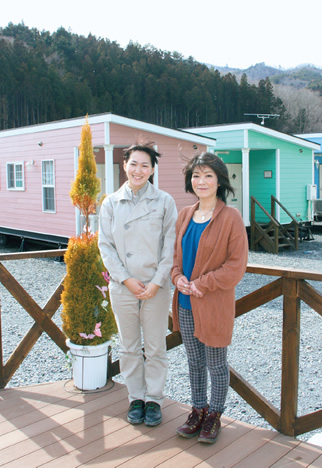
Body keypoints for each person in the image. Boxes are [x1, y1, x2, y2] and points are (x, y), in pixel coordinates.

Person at [171, 152, 248, 444]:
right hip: (185, 303)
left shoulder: (231, 217)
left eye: (208, 176)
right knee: (193, 360)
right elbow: (175, 259)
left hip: (213, 303)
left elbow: (236, 266)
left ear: (219, 181)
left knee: (216, 362)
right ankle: (197, 409)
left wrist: (202, 283)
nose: (201, 182)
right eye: (196, 176)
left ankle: (215, 414)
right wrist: (177, 278)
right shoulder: (184, 215)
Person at [98, 141, 177, 427]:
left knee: (155, 346)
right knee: (129, 347)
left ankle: (154, 399)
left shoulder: (165, 201)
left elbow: (170, 246)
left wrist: (157, 282)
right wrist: (126, 279)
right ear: (124, 166)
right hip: (124, 287)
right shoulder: (110, 203)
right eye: (134, 164)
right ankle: (135, 398)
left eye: (145, 165)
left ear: (153, 169)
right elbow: (105, 247)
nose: (138, 170)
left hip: (155, 287)